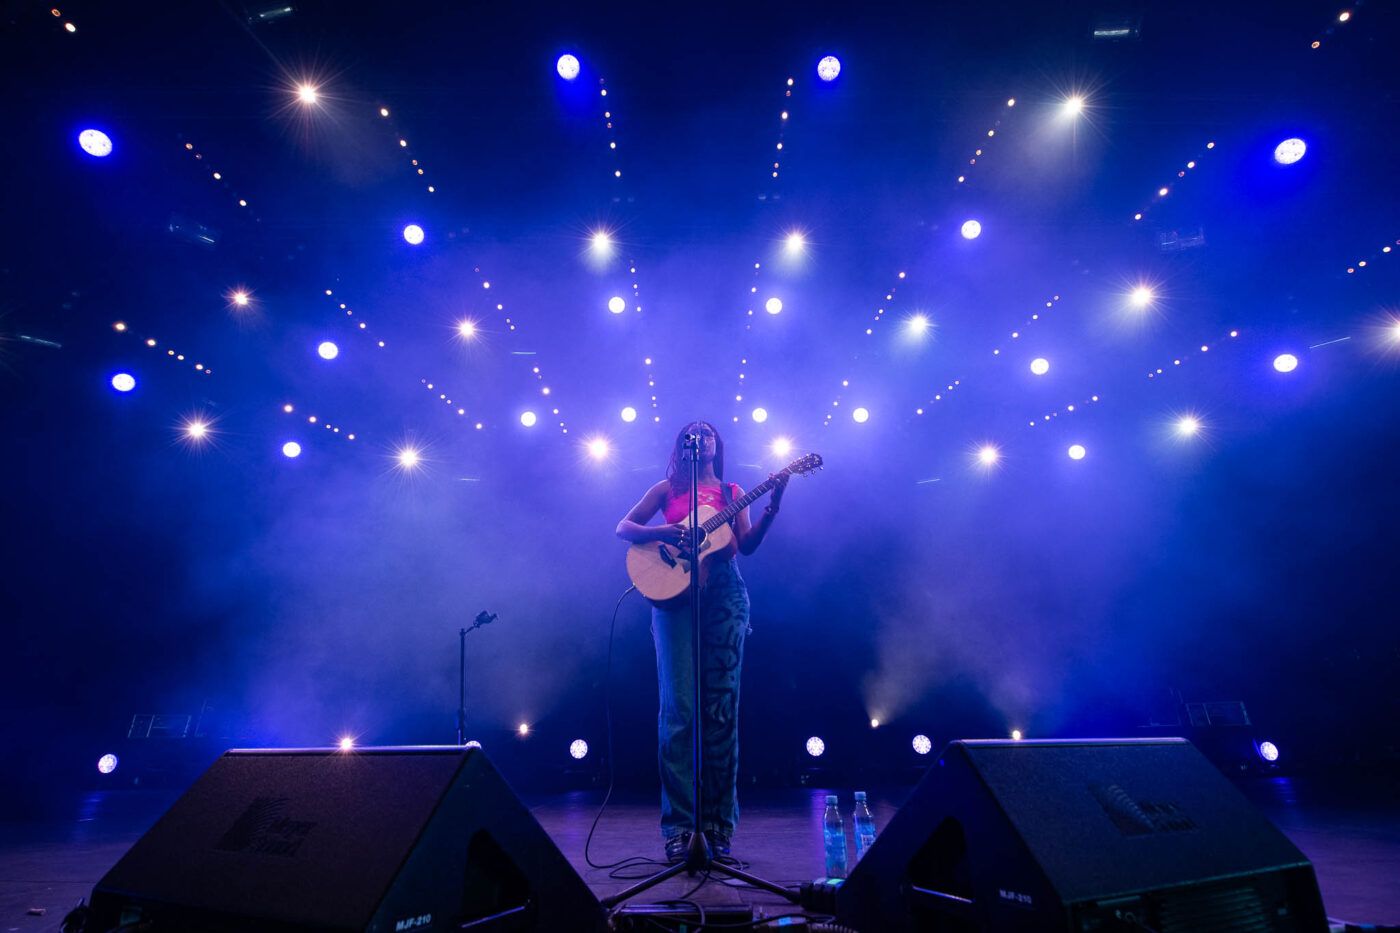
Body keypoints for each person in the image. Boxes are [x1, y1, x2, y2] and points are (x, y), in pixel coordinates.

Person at [615, 420, 788, 863]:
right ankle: (679, 829)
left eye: (708, 431)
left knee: (720, 711)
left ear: (718, 444)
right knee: (679, 709)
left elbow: (745, 547)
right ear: (683, 444)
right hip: (673, 596)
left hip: (725, 595)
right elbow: (624, 528)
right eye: (693, 432)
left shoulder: (733, 492)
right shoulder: (667, 488)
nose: (701, 436)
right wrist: (663, 533)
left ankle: (717, 827)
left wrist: (773, 504)